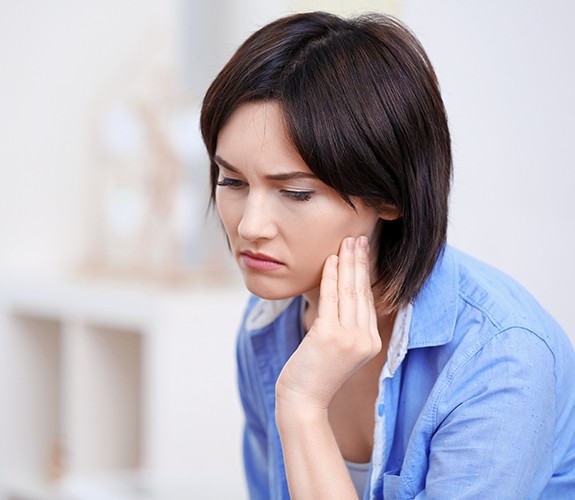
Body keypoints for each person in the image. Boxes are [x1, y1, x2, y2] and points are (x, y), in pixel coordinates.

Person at [200, 11, 575, 499]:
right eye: (232, 181)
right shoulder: (266, 324)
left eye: (294, 192)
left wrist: (302, 403)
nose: (249, 226)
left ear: (390, 197)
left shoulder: (502, 359)